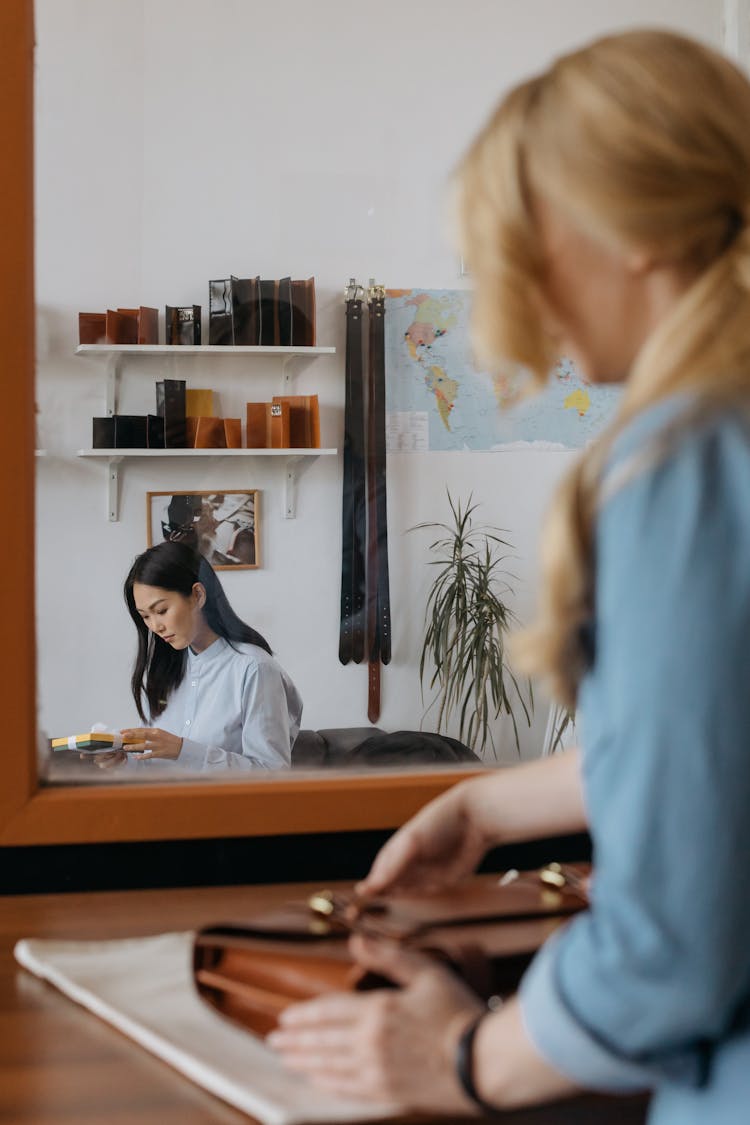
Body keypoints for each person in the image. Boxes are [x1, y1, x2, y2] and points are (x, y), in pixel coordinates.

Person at [268, 29, 750, 1123]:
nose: (516, 290)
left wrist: (461, 1061)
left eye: (526, 240)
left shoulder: (690, 458)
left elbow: (671, 947)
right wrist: (488, 803)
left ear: (630, 230)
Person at [104, 540, 302, 772]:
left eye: (161, 611)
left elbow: (273, 773)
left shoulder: (254, 669)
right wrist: (122, 763)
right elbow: (153, 770)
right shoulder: (163, 671)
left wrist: (182, 750)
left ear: (197, 595)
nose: (155, 626)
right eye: (145, 617)